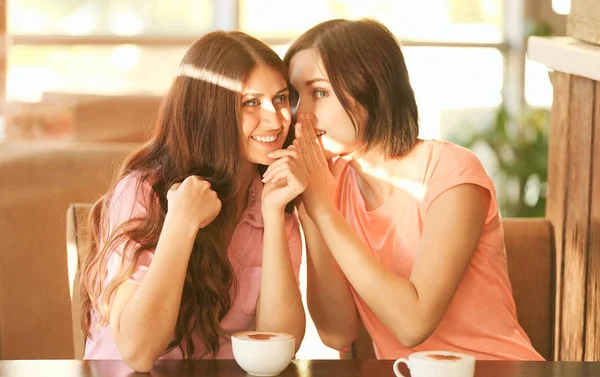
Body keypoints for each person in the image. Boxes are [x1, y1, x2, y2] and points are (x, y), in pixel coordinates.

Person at [265, 18, 543, 360]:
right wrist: (312, 211)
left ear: (371, 89)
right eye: (295, 96)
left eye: (319, 92)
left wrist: (323, 208)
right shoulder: (330, 186)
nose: (299, 114)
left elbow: (413, 324)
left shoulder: (451, 173)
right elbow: (337, 332)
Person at [79, 30, 307, 372]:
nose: (276, 120)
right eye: (250, 102)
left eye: (280, 98)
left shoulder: (274, 198)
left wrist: (274, 213)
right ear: (210, 111)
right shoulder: (143, 191)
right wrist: (181, 224)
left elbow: (279, 342)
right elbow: (139, 352)